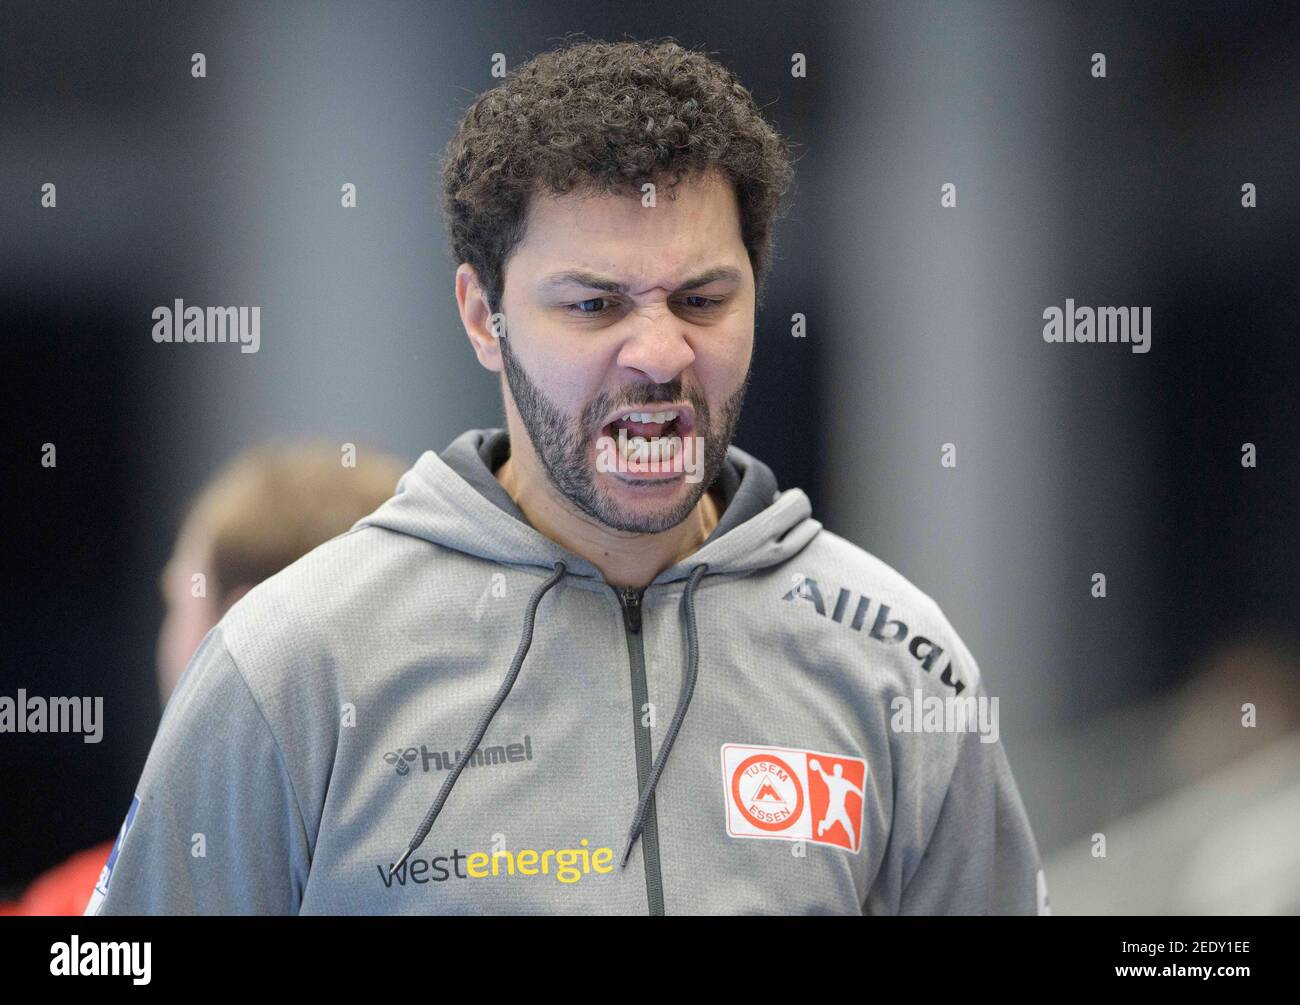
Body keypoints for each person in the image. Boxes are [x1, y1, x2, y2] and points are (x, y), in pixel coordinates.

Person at [89, 38, 1046, 916]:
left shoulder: (894, 656)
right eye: (594, 304)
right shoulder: (296, 661)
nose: (660, 353)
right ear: (481, 316)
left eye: (703, 299)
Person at [0, 441, 407, 915]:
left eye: (177, 604)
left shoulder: (99, 897)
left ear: (248, 631)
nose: (167, 637)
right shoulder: (478, 866)